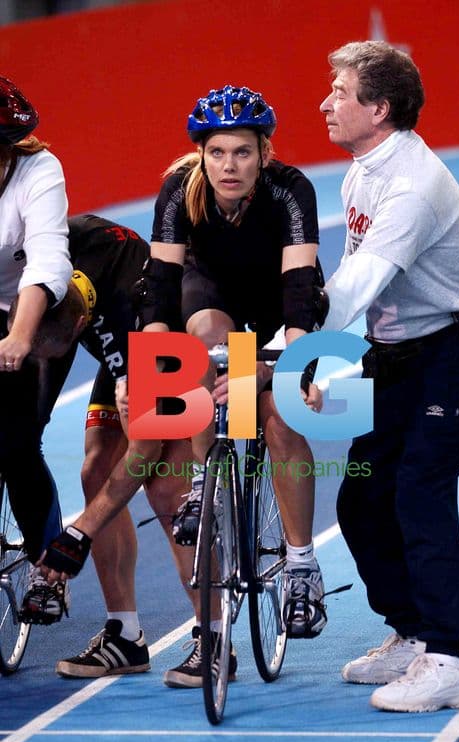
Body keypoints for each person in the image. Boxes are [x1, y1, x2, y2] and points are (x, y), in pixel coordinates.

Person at [40, 85, 329, 687]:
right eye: (217, 152)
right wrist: (147, 373)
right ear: (201, 154)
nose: (229, 165)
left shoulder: (290, 190)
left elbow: (301, 287)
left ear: (264, 152)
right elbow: (160, 288)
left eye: (243, 152)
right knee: (200, 336)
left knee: (279, 419)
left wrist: (297, 366)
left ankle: (302, 565)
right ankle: (205, 484)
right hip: (210, 299)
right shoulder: (180, 189)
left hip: (274, 305)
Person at [319, 41, 459, 712]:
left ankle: (449, 659)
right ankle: (413, 631)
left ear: (379, 108)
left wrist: (291, 348)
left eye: (340, 92)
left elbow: (363, 280)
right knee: (362, 496)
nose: (325, 103)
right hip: (395, 352)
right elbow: (350, 273)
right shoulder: (360, 173)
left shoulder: (413, 185)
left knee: (420, 487)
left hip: (456, 348)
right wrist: (317, 351)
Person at [16, 213, 192, 678]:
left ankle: (214, 638)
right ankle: (125, 637)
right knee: (90, 469)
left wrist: (79, 533)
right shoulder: (35, 277)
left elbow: (144, 452)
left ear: (78, 329)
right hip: (73, 303)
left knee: (166, 489)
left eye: (50, 355)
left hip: (165, 340)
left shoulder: (133, 314)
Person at [0, 75, 72, 618]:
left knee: (16, 442)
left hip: (30, 308)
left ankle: (50, 566)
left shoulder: (39, 170)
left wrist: (20, 337)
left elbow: (47, 260)